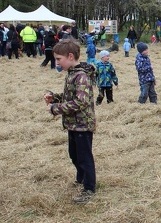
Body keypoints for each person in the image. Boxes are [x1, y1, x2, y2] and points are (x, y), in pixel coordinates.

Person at [43, 39, 97, 204]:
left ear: (71, 56)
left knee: (84, 157)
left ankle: (89, 188)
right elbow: (71, 96)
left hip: (82, 125)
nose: (57, 62)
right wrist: (56, 97)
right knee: (74, 155)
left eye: (59, 59)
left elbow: (81, 102)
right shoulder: (72, 73)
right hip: (73, 124)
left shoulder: (81, 76)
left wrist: (56, 109)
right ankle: (81, 178)